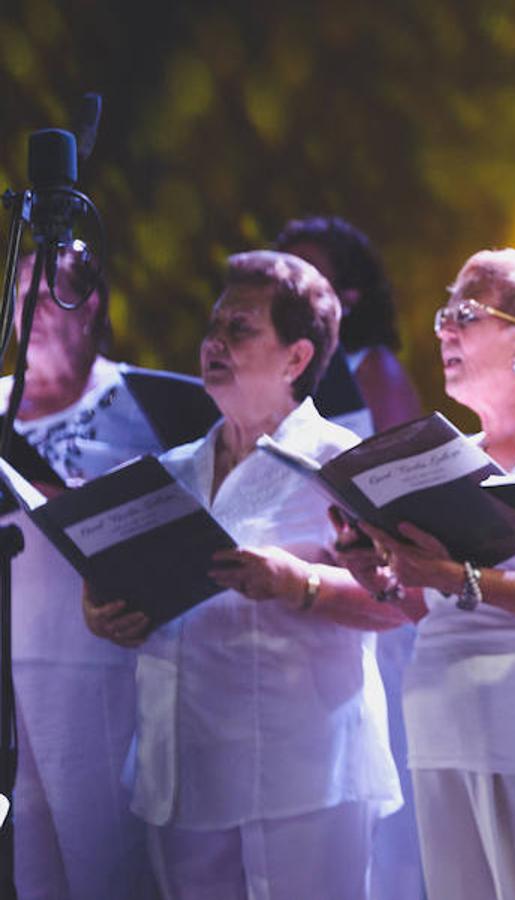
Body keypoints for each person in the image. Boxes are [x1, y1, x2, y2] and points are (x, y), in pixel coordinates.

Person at [83, 250, 405, 899]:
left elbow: (400, 602)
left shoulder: (343, 464)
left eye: (241, 328)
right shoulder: (170, 473)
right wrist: (103, 610)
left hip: (303, 767)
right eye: (214, 326)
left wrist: (299, 584)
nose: (215, 342)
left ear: (297, 357)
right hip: (183, 766)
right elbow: (121, 585)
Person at [342, 248, 515, 900]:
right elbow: (427, 602)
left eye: (465, 313)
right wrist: (381, 571)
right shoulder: (448, 459)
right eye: (444, 314)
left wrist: (454, 574)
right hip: (441, 709)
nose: (443, 330)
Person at [2, 248, 161, 900]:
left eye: (46, 295)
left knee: (101, 859)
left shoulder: (134, 402)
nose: (29, 312)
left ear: (88, 304)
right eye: (19, 296)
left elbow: (160, 521)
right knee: (33, 858)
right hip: (11, 665)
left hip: (97, 660)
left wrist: (60, 495)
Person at [276, 215, 424, 900]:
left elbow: (408, 481)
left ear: (352, 296)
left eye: (311, 272)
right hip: (305, 596)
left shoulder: (373, 369)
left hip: (376, 583)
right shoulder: (279, 382)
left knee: (388, 780)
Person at [276, 215, 422, 434]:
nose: (285, 282)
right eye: (282, 268)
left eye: (302, 271)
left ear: (348, 296)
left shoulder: (374, 369)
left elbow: (404, 458)